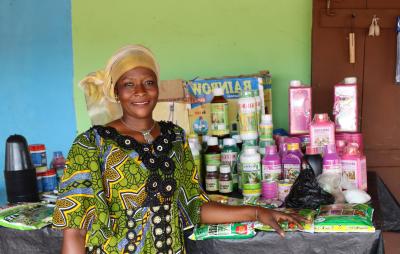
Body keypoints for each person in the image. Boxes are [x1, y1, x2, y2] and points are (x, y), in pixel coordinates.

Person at [52, 45, 303, 254]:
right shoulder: (92, 145)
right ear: (116, 92)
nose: (140, 91)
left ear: (157, 87)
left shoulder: (174, 137)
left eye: (148, 82)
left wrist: (258, 212)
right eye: (129, 84)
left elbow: (194, 206)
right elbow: (75, 231)